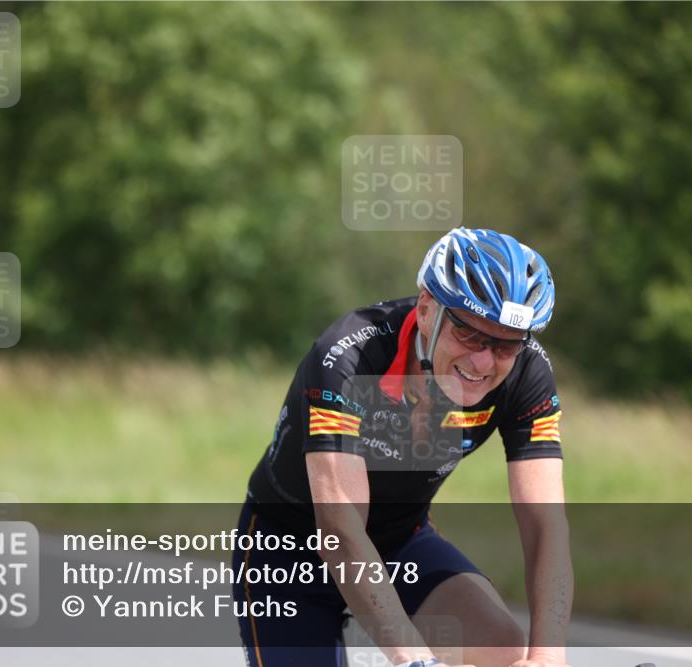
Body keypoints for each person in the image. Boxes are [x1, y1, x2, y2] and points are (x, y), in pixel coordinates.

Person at [232, 227, 572, 667]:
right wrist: (412, 658)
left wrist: (549, 656)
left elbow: (546, 526)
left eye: (506, 344)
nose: (483, 361)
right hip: (290, 546)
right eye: (469, 334)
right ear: (428, 308)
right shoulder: (349, 357)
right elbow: (338, 530)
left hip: (401, 541)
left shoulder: (527, 375)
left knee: (500, 646)